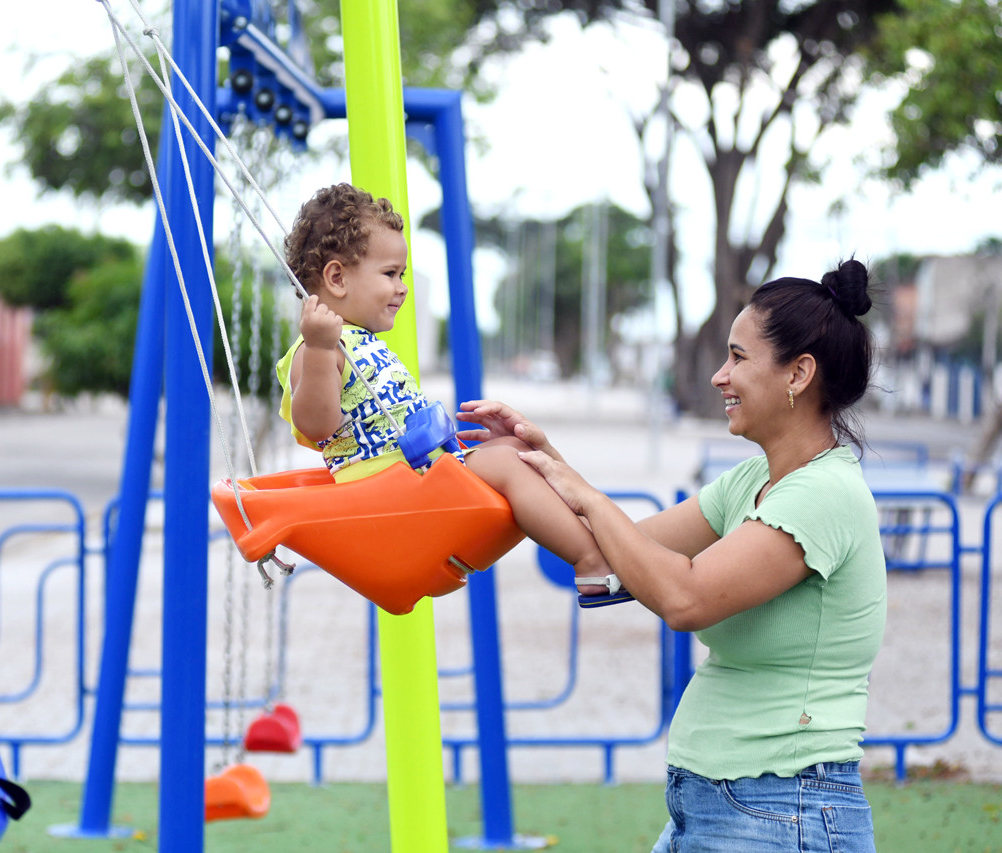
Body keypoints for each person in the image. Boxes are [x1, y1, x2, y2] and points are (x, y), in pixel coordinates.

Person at [458, 259, 886, 853]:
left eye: (737, 357)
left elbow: (685, 598)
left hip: (783, 808)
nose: (718, 376)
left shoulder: (823, 495)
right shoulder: (753, 482)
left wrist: (577, 491)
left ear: (799, 374)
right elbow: (618, 551)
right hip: (720, 803)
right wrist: (541, 456)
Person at [277, 182, 607, 576]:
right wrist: (317, 349)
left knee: (515, 447)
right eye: (390, 274)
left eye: (402, 274)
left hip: (413, 474)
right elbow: (316, 425)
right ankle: (590, 561)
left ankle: (596, 537)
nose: (402, 288)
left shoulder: (357, 340)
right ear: (337, 278)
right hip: (383, 491)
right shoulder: (316, 349)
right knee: (505, 462)